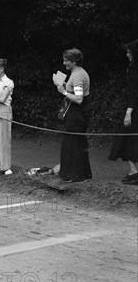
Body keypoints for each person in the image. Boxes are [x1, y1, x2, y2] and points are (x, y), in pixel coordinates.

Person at [55, 48, 92, 182]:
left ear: (74, 61)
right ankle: (81, 173)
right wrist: (66, 86)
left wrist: (63, 92)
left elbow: (79, 98)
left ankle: (74, 174)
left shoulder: (77, 75)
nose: (64, 63)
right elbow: (76, 90)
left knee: (72, 142)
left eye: (66, 61)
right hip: (78, 113)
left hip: (76, 114)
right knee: (77, 142)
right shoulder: (78, 73)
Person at [107, 39, 138, 185]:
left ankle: (134, 171)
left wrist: (128, 111)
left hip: (134, 109)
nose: (126, 54)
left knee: (128, 138)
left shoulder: (134, 68)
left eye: (128, 52)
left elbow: (133, 91)